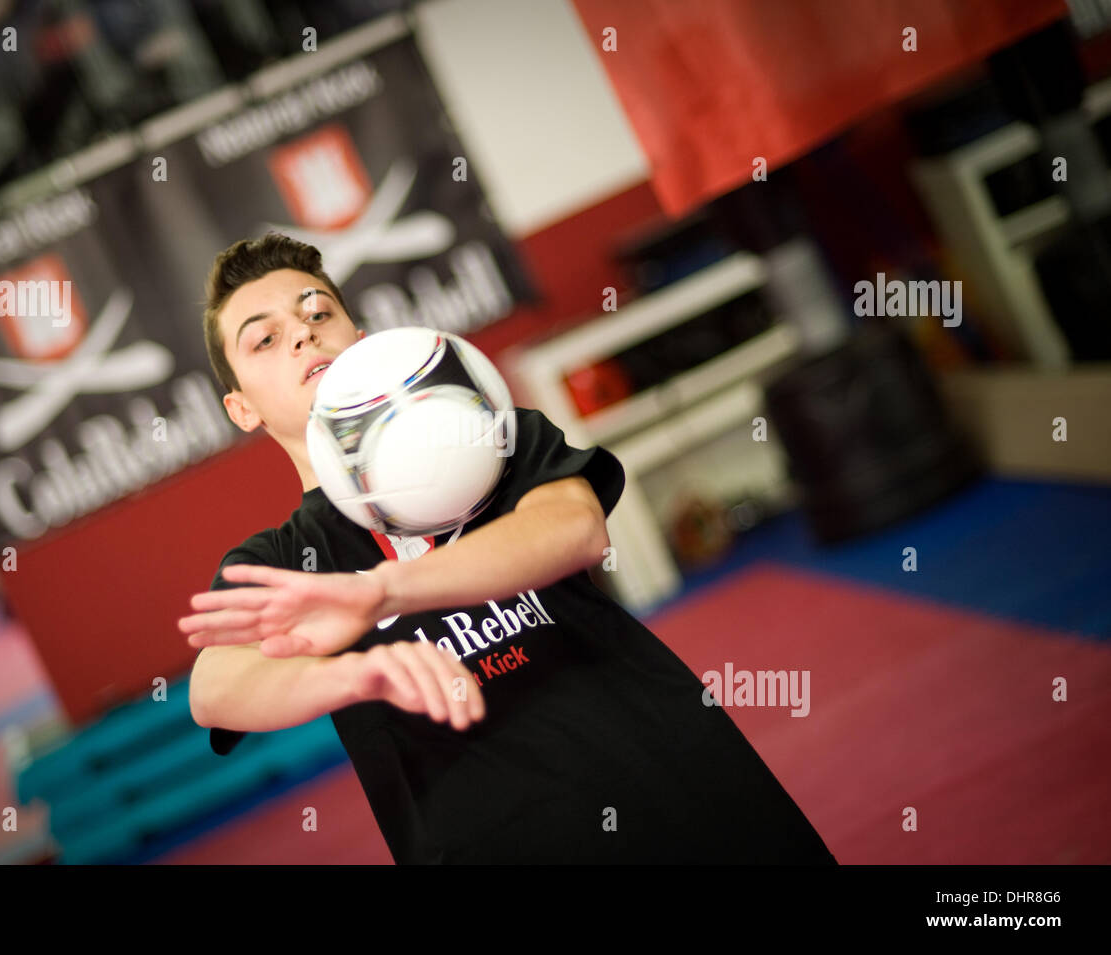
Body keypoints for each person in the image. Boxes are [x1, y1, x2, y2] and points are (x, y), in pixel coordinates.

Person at [180, 232, 838, 864]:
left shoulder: (492, 440)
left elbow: (575, 529)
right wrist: (352, 675)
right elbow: (215, 687)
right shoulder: (283, 557)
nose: (303, 332)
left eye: (319, 311)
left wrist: (381, 591)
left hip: (679, 782)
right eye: (265, 339)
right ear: (243, 410)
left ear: (359, 335)